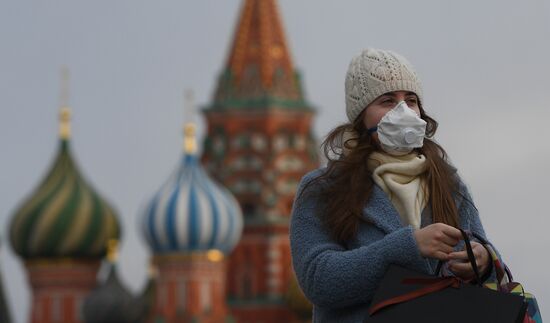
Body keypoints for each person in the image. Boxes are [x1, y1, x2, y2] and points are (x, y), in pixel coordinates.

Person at [289, 48, 502, 322]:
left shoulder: (449, 184)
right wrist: (408, 247)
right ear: (361, 116)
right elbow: (317, 279)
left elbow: (483, 259)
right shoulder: (323, 188)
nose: (403, 111)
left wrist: (481, 263)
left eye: (411, 100)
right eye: (387, 101)